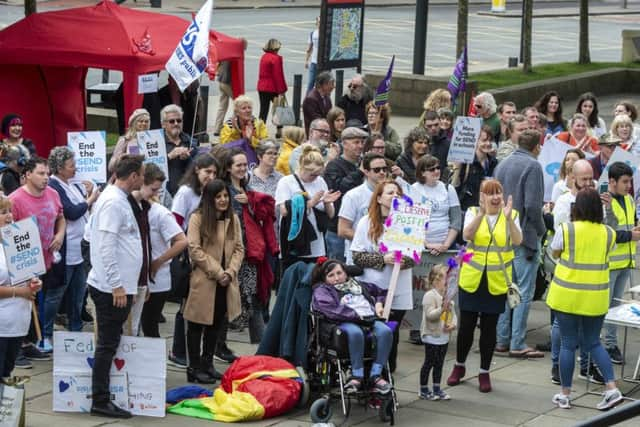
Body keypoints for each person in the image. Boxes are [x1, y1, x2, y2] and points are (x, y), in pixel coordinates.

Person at [546, 189, 623, 411]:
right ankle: (611, 388)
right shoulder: (608, 233)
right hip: (596, 298)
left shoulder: (567, 229)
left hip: (567, 295)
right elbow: (608, 252)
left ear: (576, 207)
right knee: (594, 342)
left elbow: (556, 252)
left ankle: (565, 394)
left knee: (568, 344)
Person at [447, 179, 522, 392]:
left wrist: (508, 220)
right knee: (466, 327)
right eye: (490, 193)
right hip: (472, 279)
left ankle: (484, 371)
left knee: (490, 328)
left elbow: (517, 241)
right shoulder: (472, 212)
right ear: (481, 196)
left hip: (497, 281)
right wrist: (481, 214)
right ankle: (459, 366)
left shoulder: (511, 215)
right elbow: (467, 235)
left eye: (498, 192)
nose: (496, 197)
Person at [87, 154, 145, 419]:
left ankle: (102, 395)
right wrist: (118, 286)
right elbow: (105, 247)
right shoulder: (112, 202)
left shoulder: (117, 199)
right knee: (107, 345)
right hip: (111, 289)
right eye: (142, 174)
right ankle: (100, 399)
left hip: (120, 286)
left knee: (111, 343)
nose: (143, 178)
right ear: (132, 175)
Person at [351, 179, 414, 372]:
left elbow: (415, 256)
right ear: (378, 198)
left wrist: (405, 261)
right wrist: (382, 259)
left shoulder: (408, 223)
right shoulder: (366, 223)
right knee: (374, 333)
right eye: (390, 193)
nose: (395, 196)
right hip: (374, 290)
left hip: (398, 289)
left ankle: (387, 373)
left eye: (398, 193)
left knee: (392, 335)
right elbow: (357, 256)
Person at [184, 179, 244, 384]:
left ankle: (207, 362)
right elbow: (194, 249)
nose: (223, 200)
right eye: (218, 197)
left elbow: (239, 248)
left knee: (216, 324)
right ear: (210, 199)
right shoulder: (197, 218)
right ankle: (193, 366)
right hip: (205, 280)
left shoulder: (233, 219)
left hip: (226, 281)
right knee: (196, 324)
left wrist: (231, 271)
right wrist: (218, 272)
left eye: (226, 196)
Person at [550, 159, 604, 385]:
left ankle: (586, 366)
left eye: (591, 178)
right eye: (584, 179)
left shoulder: (595, 198)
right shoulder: (564, 202)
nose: (589, 183)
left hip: (589, 274)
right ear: (572, 178)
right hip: (568, 273)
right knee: (560, 326)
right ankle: (556, 365)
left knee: (588, 326)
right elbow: (560, 237)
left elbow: (602, 231)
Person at [494, 130, 546, 358]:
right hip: (524, 237)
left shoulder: (502, 164)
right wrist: (542, 231)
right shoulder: (533, 166)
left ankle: (502, 340)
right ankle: (518, 342)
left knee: (508, 288)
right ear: (537, 147)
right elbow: (533, 206)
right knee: (523, 291)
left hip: (503, 235)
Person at [311, 258, 393, 394]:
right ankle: (357, 376)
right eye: (331, 275)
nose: (336, 278)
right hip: (343, 321)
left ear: (346, 273)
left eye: (339, 273)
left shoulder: (357, 284)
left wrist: (379, 303)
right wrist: (356, 316)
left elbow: (382, 292)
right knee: (355, 333)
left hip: (368, 319)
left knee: (386, 331)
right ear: (324, 278)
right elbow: (331, 310)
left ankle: (376, 375)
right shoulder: (323, 290)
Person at [10, 157, 65, 354]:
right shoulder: (15, 200)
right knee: (25, 302)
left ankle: (35, 339)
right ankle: (19, 347)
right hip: (25, 262)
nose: (46, 178)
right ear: (27, 175)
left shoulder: (52, 194)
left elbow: (61, 217)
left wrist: (59, 234)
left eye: (48, 173)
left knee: (44, 298)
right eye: (41, 173)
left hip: (49, 258)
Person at [168, 153, 218, 368]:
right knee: (185, 305)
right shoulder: (186, 193)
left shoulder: (210, 193)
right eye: (208, 172)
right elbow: (176, 223)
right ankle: (179, 350)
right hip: (189, 254)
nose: (211, 176)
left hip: (207, 255)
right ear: (197, 170)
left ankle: (197, 353)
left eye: (214, 173)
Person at [47, 147, 99, 342]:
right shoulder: (54, 185)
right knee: (57, 293)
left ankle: (76, 328)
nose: (75, 169)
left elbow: (84, 208)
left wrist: (88, 195)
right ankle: (46, 331)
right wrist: (91, 199)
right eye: (71, 165)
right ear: (60, 168)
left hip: (80, 249)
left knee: (79, 294)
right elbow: (72, 211)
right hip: (66, 249)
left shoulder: (73, 183)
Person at [136, 164, 187, 338]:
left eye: (157, 190)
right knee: (135, 325)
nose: (156, 194)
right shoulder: (131, 208)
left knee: (150, 325)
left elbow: (181, 241)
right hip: (137, 275)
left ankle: (154, 363)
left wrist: (158, 261)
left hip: (157, 279)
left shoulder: (160, 213)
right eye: (153, 189)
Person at [276, 145, 340, 268]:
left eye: (318, 174)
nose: (315, 178)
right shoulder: (287, 182)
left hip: (317, 243)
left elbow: (331, 214)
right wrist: (311, 203)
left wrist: (327, 202)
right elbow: (284, 211)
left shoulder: (320, 181)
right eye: (312, 174)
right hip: (295, 242)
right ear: (302, 167)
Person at [602, 162, 640, 365]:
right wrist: (632, 235)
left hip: (626, 261)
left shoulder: (629, 199)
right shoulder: (605, 201)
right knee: (605, 307)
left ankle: (610, 344)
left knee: (615, 307)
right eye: (625, 182)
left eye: (630, 181)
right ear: (612, 182)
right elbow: (607, 232)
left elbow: (631, 223)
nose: (628, 186)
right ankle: (604, 344)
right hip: (610, 263)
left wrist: (636, 229)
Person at [0, 197, 42, 378]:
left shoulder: (18, 241)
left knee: (6, 373)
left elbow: (30, 273)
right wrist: (20, 292)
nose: (9, 216)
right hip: (2, 324)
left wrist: (35, 283)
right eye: (3, 213)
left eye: (10, 211)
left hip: (18, 323)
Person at [323, 127, 368, 262]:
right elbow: (339, 190)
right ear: (344, 143)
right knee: (338, 269)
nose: (360, 146)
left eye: (361, 142)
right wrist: (359, 172)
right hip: (338, 230)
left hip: (358, 227)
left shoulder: (361, 163)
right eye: (356, 142)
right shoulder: (333, 166)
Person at [338, 153, 389, 264]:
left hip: (389, 257)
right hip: (360, 257)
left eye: (385, 169)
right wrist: (372, 240)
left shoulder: (393, 194)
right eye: (376, 170)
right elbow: (343, 230)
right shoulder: (353, 196)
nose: (382, 172)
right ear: (366, 172)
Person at [419, 264, 457, 401]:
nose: (448, 284)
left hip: (443, 336)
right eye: (447, 280)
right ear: (436, 280)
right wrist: (442, 309)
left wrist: (452, 325)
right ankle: (423, 388)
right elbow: (430, 315)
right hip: (431, 335)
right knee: (429, 362)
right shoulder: (430, 296)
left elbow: (453, 315)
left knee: (439, 363)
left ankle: (436, 387)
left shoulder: (447, 297)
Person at [413, 155, 461, 255]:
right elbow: (409, 223)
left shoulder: (448, 188)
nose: (436, 171)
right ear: (422, 172)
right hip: (420, 246)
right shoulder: (413, 190)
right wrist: (427, 245)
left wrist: (445, 246)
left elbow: (456, 220)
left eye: (438, 168)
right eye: (431, 169)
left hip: (447, 245)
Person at [452, 125, 498, 212]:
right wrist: (457, 168)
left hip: (488, 209)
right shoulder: (465, 162)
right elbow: (454, 185)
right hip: (467, 209)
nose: (488, 143)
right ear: (475, 141)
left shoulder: (494, 162)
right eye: (484, 140)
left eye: (490, 140)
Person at [162, 104, 196, 196]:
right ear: (164, 124)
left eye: (179, 120)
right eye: (172, 121)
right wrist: (169, 156)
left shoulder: (191, 142)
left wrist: (188, 158)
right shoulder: (157, 142)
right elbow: (151, 167)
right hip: (165, 194)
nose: (176, 123)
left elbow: (199, 168)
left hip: (188, 193)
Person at [109, 108, 150, 173]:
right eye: (141, 121)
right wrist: (121, 158)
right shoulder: (125, 140)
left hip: (148, 176)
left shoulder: (152, 140)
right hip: (129, 177)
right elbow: (111, 166)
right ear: (134, 123)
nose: (144, 124)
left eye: (146, 121)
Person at [257, 39, 288, 125]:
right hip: (272, 88)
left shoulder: (264, 56)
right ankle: (279, 130)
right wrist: (282, 89)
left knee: (263, 110)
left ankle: (260, 130)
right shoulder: (276, 58)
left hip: (262, 87)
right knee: (279, 110)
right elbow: (278, 75)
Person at [303, 71, 335, 135]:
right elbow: (317, 120)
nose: (333, 87)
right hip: (315, 135)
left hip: (326, 133)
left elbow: (330, 115)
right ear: (324, 85)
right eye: (331, 84)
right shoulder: (310, 99)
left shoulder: (326, 97)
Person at [421, 110, 450, 180]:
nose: (433, 128)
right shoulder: (419, 143)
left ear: (440, 123)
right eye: (429, 126)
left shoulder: (448, 144)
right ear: (424, 126)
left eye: (436, 125)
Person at [213, 61, 233, 136]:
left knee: (222, 106)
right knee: (238, 103)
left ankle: (217, 129)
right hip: (228, 82)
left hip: (221, 80)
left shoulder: (224, 53)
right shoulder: (233, 55)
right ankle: (234, 126)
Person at [304, 16, 320, 95]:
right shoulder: (313, 33)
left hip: (324, 64)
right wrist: (306, 61)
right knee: (311, 83)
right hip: (314, 62)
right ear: (316, 23)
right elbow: (309, 48)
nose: (320, 23)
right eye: (319, 22)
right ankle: (307, 101)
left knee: (324, 85)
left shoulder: (328, 33)